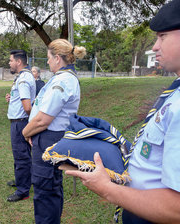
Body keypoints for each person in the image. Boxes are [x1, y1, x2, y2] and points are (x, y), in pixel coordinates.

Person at [64, 1, 180, 223]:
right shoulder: (175, 91)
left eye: (162, 36)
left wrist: (107, 189)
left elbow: (176, 208)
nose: (155, 46)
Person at [22, 39, 86, 224]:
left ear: (57, 58)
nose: (47, 61)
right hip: (48, 137)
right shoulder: (63, 78)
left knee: (45, 191)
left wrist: (26, 132)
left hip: (48, 138)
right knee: (50, 189)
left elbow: (43, 119)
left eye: (49, 57)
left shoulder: (64, 80)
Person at [5, 49, 36, 202]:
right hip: (21, 122)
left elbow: (28, 107)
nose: (9, 63)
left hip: (20, 123)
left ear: (18, 62)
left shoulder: (23, 78)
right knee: (22, 155)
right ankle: (22, 180)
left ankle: (23, 190)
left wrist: (29, 125)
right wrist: (12, 99)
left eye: (11, 61)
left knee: (21, 157)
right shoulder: (24, 77)